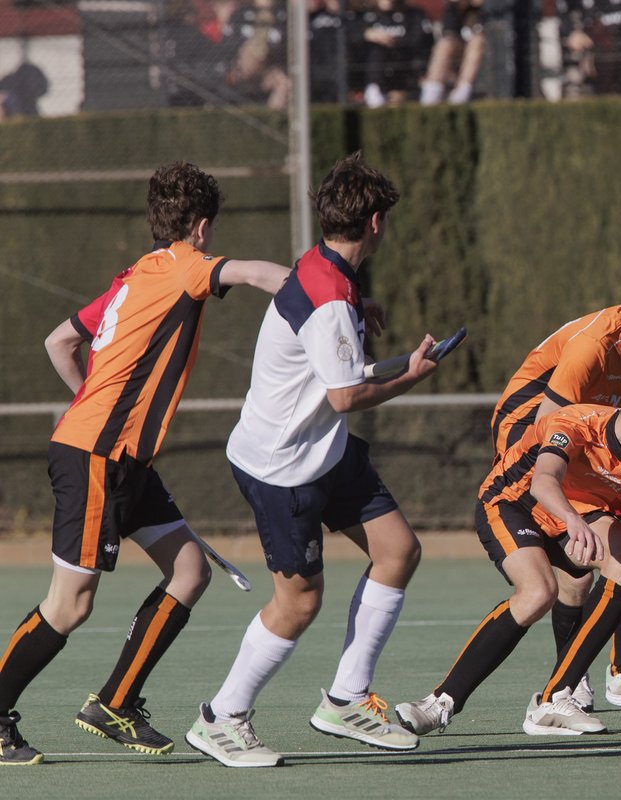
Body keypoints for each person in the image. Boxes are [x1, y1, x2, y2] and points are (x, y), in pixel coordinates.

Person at [0, 162, 291, 766]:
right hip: (96, 456)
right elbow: (260, 273)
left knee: (189, 570)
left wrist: (90, 406)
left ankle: (114, 703)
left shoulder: (134, 276)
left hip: (120, 457)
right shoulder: (186, 266)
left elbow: (60, 340)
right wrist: (329, 295)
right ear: (203, 227)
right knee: (70, 603)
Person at [185, 152, 440, 768]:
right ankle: (222, 718)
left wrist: (358, 312)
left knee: (399, 549)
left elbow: (331, 348)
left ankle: (346, 699)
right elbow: (347, 394)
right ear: (375, 222)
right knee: (298, 603)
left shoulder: (324, 268)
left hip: (324, 450)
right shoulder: (330, 296)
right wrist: (412, 375)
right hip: (282, 468)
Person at [394, 366, 621, 737]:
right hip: (515, 502)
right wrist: (572, 520)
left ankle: (553, 700)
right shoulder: (577, 424)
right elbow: (544, 482)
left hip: (577, 514)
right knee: (539, 592)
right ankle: (441, 701)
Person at [490, 229, 621, 716]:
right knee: (608, 552)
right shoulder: (594, 346)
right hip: (528, 434)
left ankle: (614, 671)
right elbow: (547, 427)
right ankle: (585, 679)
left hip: (590, 433)